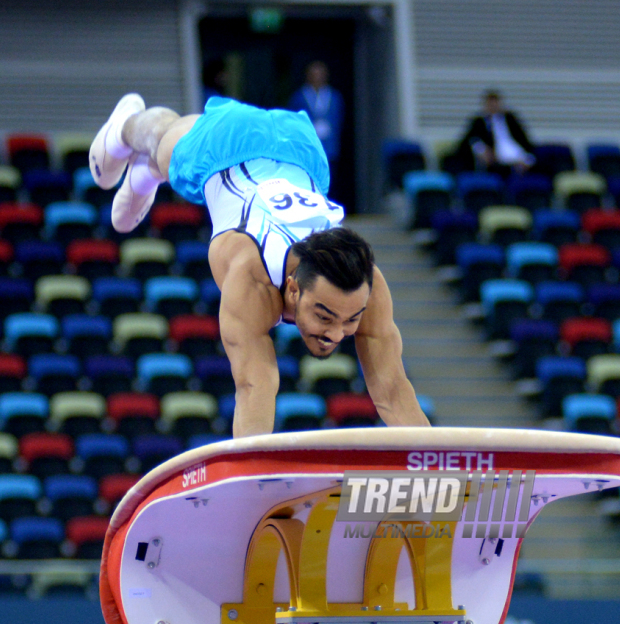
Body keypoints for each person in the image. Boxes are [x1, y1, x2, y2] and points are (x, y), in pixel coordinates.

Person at [89, 93, 429, 437]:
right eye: (325, 317)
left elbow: (392, 391)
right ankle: (126, 129)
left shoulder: (364, 284)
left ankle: (145, 174)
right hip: (226, 147)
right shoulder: (251, 274)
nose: (336, 335)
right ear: (293, 289)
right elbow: (255, 387)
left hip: (301, 151)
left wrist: (442, 466)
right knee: (163, 140)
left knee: (141, 189)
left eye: (351, 320)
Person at [289, 61, 344, 197]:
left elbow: (338, 118)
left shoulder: (334, 96)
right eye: (314, 75)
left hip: (329, 146)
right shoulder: (300, 96)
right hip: (308, 146)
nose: (318, 78)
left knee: (330, 178)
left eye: (320, 75)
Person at [454, 90, 535, 177]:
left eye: (495, 103)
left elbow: (524, 140)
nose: (493, 106)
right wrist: (481, 149)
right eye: (490, 104)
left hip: (519, 157)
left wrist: (527, 159)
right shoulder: (479, 122)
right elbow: (469, 140)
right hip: (497, 160)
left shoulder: (511, 119)